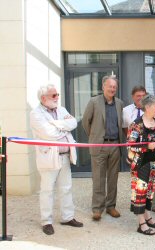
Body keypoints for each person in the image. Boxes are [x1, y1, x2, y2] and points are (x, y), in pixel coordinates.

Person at [30, 84, 83, 235]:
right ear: (43, 98)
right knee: (47, 191)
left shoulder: (61, 109)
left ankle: (67, 217)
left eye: (57, 94)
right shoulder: (35, 114)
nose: (57, 97)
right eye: (53, 95)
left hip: (65, 156)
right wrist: (63, 127)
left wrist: (57, 125)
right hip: (48, 158)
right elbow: (49, 134)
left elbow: (73, 123)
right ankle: (46, 221)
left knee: (66, 188)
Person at [82, 75, 124, 221]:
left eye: (114, 87)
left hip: (115, 145)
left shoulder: (119, 103)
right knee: (98, 178)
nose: (112, 89)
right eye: (110, 86)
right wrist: (95, 137)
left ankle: (111, 206)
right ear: (103, 87)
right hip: (99, 145)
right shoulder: (94, 102)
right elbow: (85, 122)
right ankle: (97, 209)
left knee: (113, 177)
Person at [127, 94, 155, 236]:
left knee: (150, 191)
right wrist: (146, 146)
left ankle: (148, 216)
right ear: (148, 107)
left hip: (154, 162)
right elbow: (130, 146)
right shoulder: (136, 124)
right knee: (140, 193)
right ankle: (141, 223)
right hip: (140, 164)